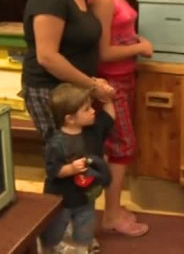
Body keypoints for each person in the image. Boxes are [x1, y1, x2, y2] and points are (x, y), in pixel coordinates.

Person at [21, 0, 114, 142]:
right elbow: (47, 57)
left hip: (74, 88)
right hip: (51, 91)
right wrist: (91, 85)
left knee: (84, 153)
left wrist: (90, 82)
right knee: (67, 155)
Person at [88, 0, 153, 237]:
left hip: (125, 78)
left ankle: (114, 207)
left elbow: (119, 34)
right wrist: (140, 48)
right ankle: (111, 215)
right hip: (112, 83)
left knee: (121, 146)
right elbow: (103, 52)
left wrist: (136, 41)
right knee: (122, 146)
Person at [41, 83, 115, 254]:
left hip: (86, 195)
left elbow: (109, 117)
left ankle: (83, 247)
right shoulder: (56, 143)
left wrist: (107, 99)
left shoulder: (93, 130)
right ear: (70, 119)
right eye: (87, 109)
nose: (93, 111)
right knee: (55, 230)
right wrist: (71, 169)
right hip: (62, 199)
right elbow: (53, 172)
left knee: (85, 226)